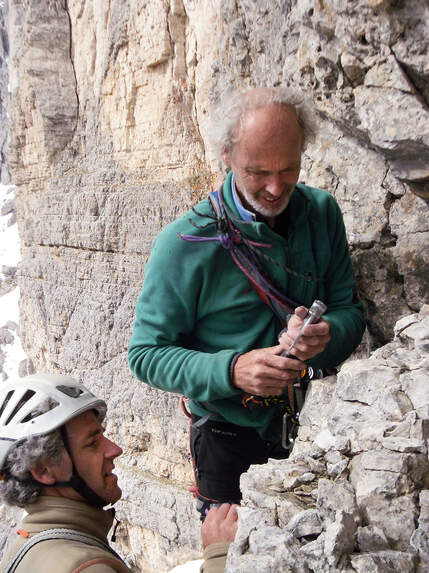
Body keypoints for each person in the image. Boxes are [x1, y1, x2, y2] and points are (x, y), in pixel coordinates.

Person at [128, 87, 365, 519]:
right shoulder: (184, 244)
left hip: (314, 427)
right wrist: (233, 370)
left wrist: (325, 336)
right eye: (257, 172)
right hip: (226, 439)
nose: (276, 187)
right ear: (225, 155)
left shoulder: (322, 213)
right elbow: (145, 356)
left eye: (289, 168)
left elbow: (349, 311)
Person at [0, 373, 237, 572]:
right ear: (43, 469)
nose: (115, 449)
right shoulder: (85, 567)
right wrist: (220, 558)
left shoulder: (26, 546)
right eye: (92, 443)